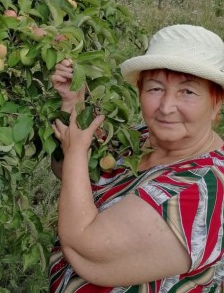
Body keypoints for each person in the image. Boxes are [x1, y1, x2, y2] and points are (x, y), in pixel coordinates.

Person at [49, 24, 224, 292]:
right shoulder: (138, 136)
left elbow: (85, 246)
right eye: (155, 89)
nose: (166, 107)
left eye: (188, 92)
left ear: (216, 104)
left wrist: (75, 151)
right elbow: (68, 172)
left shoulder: (202, 190)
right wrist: (73, 106)